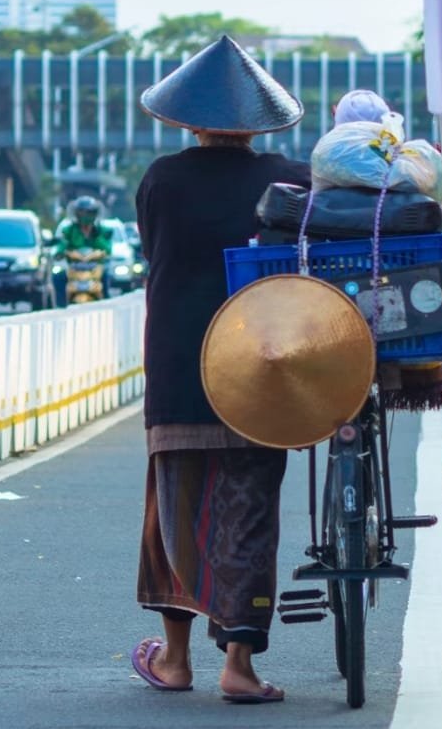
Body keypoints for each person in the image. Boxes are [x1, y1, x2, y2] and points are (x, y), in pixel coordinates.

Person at [131, 35, 309, 704]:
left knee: (174, 514)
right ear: (256, 123)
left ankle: (175, 661)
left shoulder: (162, 180)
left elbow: (156, 251)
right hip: (264, 368)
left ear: (193, 122)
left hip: (179, 366)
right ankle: (240, 665)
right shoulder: (291, 179)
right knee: (250, 509)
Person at [52, 196, 112, 304]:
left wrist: (102, 249)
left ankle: (106, 301)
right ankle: (60, 306)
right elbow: (62, 245)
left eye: (89, 212)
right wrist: (59, 253)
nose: (85, 216)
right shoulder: (69, 230)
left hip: (94, 268)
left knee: (106, 275)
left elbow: (107, 248)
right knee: (58, 276)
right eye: (82, 212)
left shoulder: (100, 231)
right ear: (76, 214)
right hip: (74, 268)